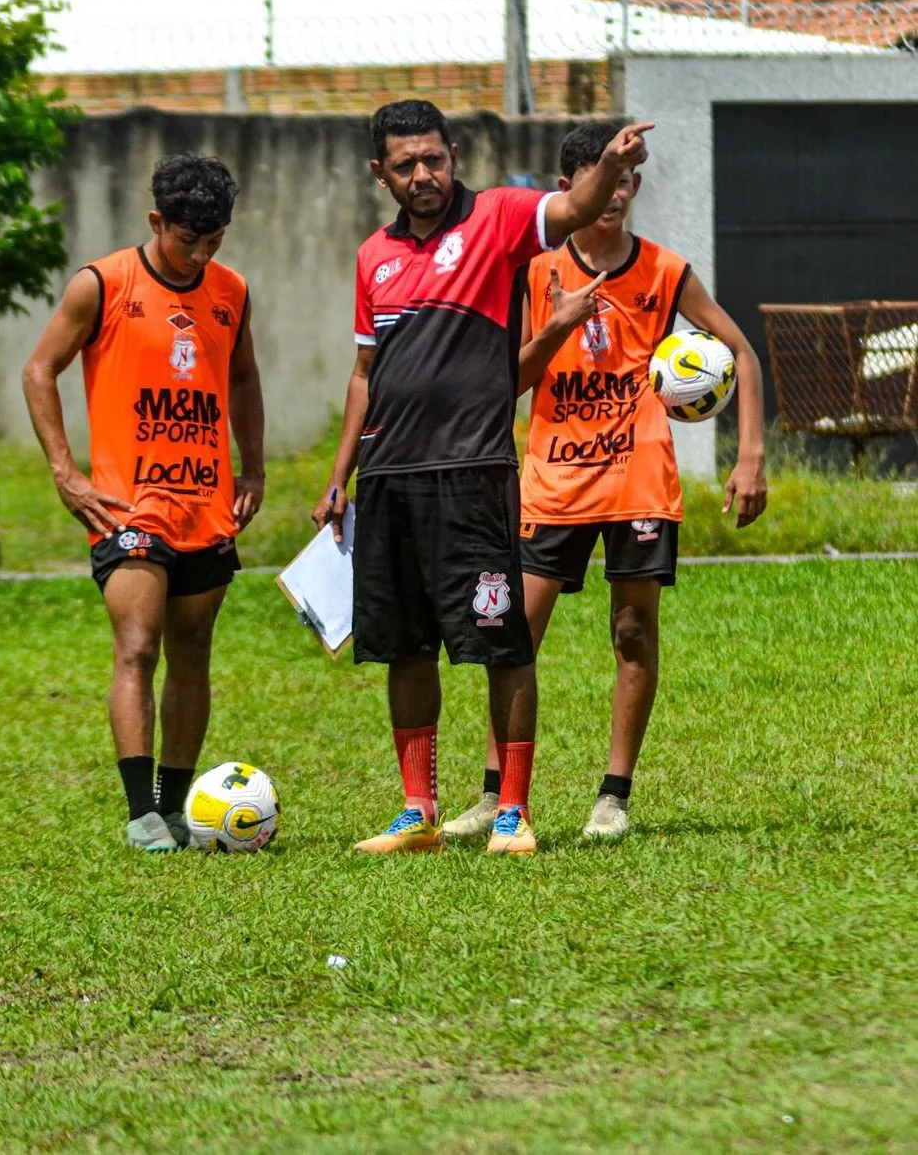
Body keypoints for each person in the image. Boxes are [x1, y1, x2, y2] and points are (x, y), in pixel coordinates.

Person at [312, 100, 652, 857]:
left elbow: (574, 205)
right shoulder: (374, 255)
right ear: (381, 173)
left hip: (473, 473)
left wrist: (613, 164)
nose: (424, 174)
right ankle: (416, 810)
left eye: (434, 158)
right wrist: (341, 475)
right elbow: (365, 371)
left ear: (454, 153)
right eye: (406, 164)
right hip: (390, 475)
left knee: (503, 645)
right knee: (404, 646)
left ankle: (512, 812)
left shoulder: (497, 219)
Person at [443, 119, 767, 844]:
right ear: (569, 192)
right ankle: (497, 792)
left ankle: (612, 795)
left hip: (638, 477)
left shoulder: (664, 270)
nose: (614, 195)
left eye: (624, 182)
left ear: (636, 185)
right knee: (513, 637)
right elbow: (508, 382)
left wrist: (749, 455)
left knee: (632, 631)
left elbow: (740, 352)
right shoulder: (535, 271)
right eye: (600, 183)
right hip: (553, 478)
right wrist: (558, 326)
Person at [23, 153, 265, 852]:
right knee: (138, 644)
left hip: (206, 503)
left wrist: (254, 469)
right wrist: (66, 472)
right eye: (188, 236)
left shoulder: (232, 291)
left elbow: (244, 377)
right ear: (157, 220)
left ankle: (171, 806)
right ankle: (139, 813)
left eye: (215, 237)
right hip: (128, 507)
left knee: (193, 651)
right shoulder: (102, 284)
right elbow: (39, 369)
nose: (201, 250)